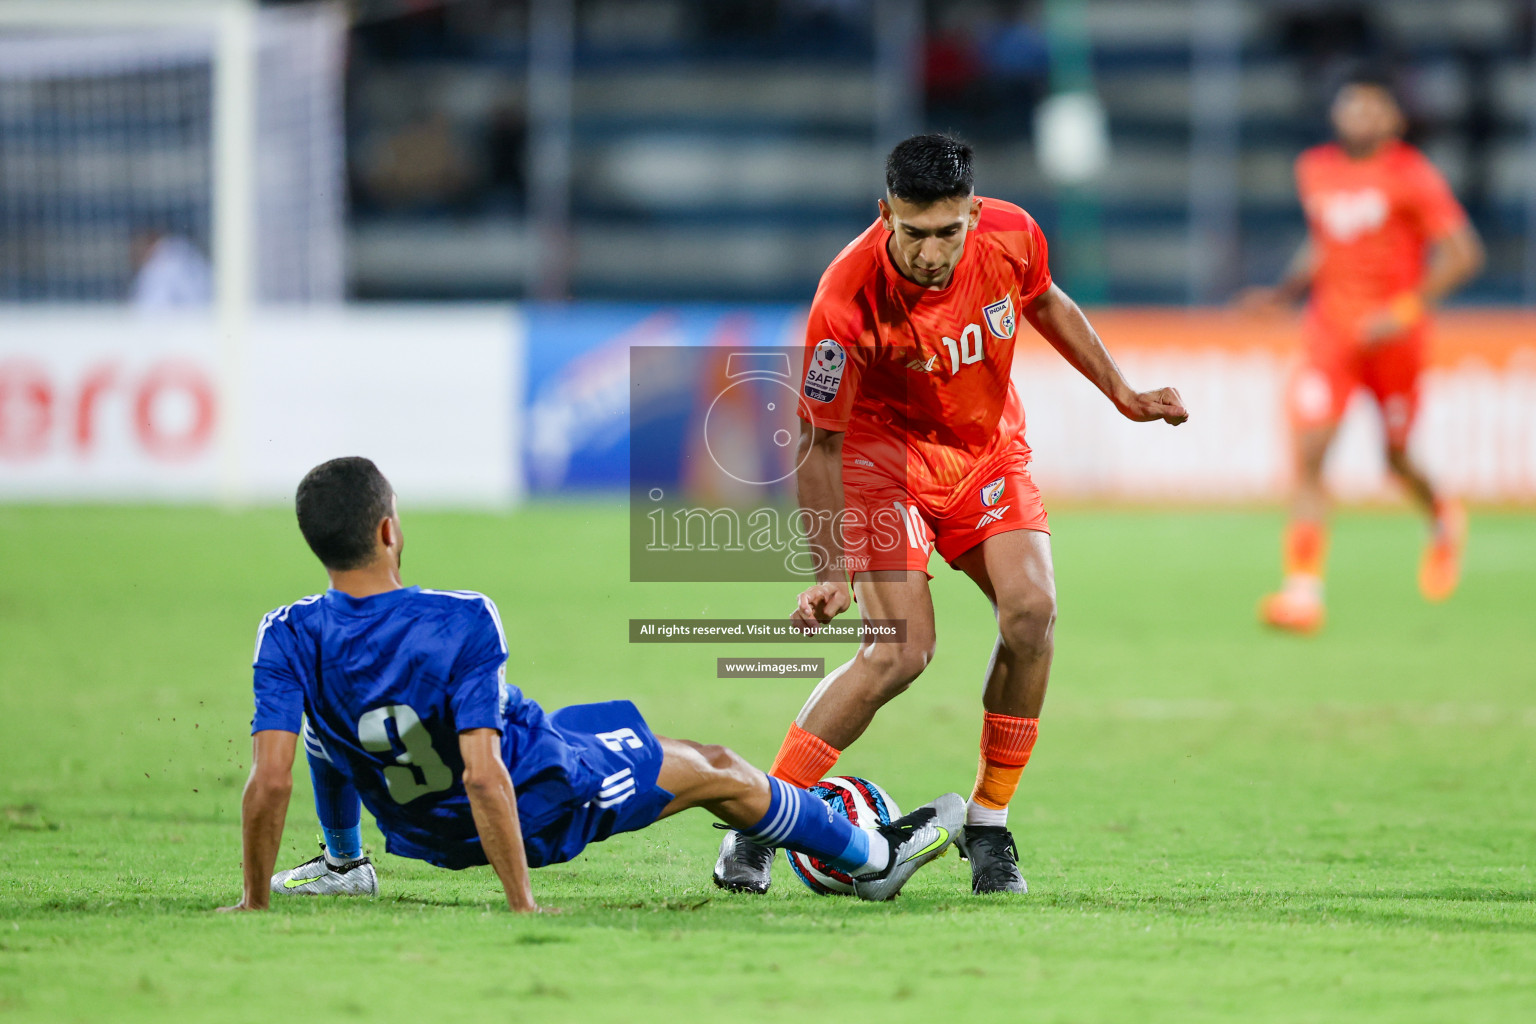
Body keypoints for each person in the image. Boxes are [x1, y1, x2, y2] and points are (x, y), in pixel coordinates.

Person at [711, 134, 1188, 897]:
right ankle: (760, 821)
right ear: (885, 215)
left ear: (971, 211)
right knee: (899, 653)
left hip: (984, 457)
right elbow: (819, 444)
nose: (931, 252)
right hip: (882, 465)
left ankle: (989, 825)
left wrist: (1124, 394)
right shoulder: (845, 298)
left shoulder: (1014, 234)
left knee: (1032, 616)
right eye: (913, 233)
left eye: (947, 232)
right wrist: (828, 570)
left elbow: (1047, 302)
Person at [220, 457, 962, 913]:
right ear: (389, 531)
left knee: (320, 718)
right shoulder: (460, 619)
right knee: (718, 766)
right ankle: (872, 861)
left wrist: (256, 900)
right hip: (539, 792)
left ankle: (345, 862)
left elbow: (271, 781)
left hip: (419, 830)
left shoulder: (286, 632)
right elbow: (484, 777)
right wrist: (522, 904)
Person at [1243, 68, 1484, 633]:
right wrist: (1283, 295)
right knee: (1311, 453)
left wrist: (1400, 311)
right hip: (1330, 333)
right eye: (1352, 107)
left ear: (1394, 120)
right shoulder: (1316, 169)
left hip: (1394, 341)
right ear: (1336, 114)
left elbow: (1464, 255)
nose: (1360, 117)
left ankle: (1444, 516)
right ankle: (1302, 592)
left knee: (1395, 457)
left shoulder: (1413, 176)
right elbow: (1326, 243)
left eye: (1373, 109)